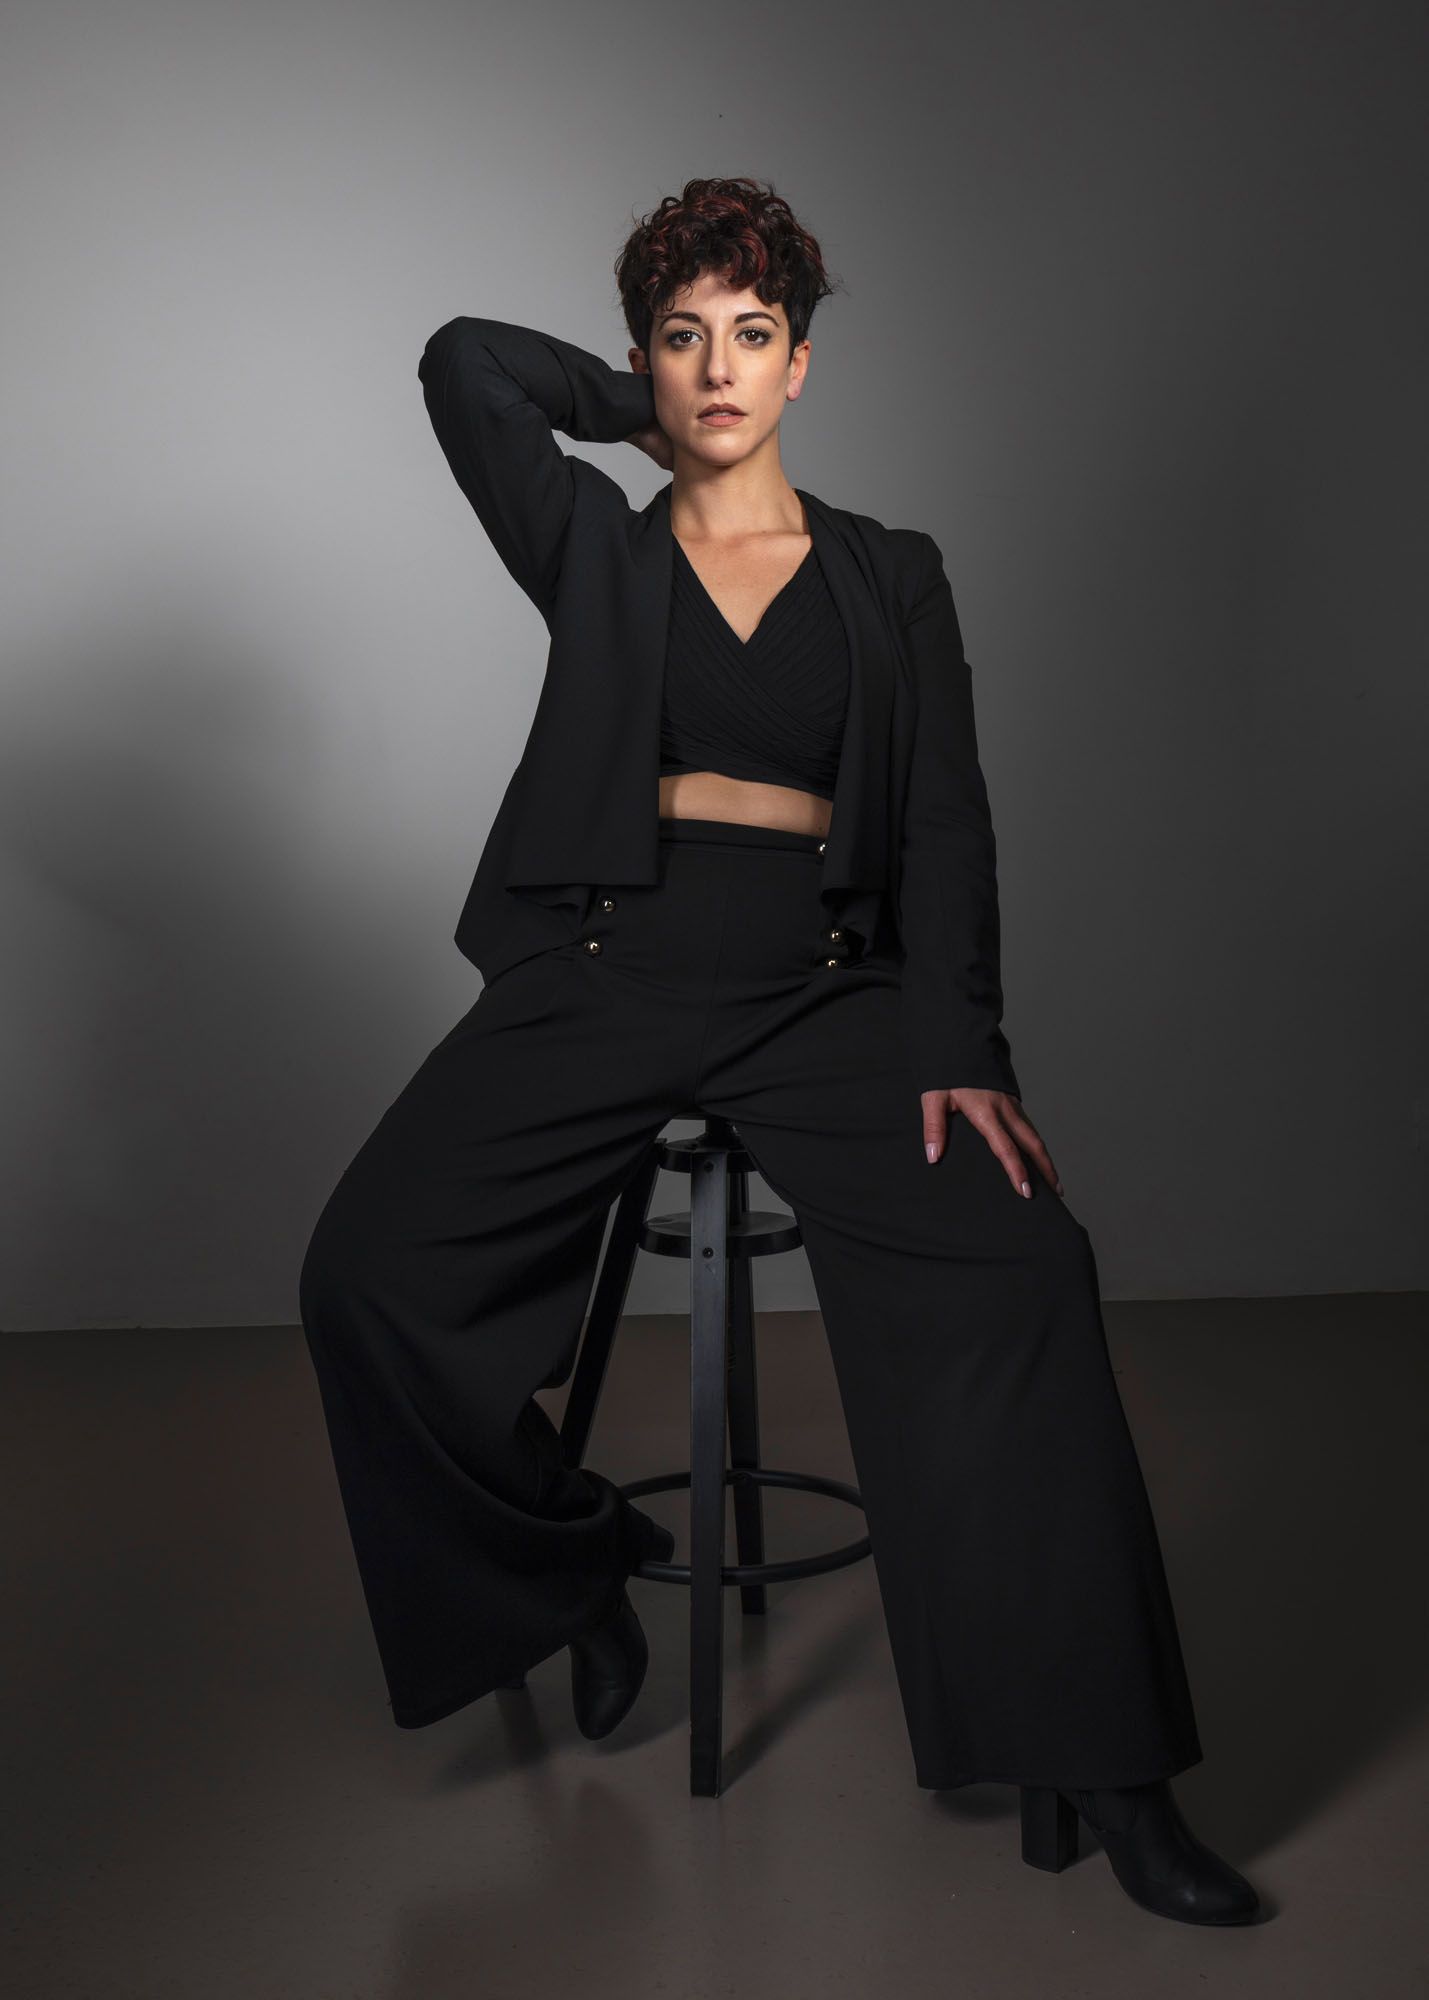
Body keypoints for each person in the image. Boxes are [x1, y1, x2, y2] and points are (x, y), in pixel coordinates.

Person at [298, 175, 1259, 1926]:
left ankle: (1106, 1766)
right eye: (685, 337)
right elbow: (461, 364)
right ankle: (566, 1571)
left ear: (802, 363)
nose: (719, 367)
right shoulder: (595, 544)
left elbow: (946, 822)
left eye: (752, 335)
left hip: (828, 993)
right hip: (607, 968)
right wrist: (640, 404)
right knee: (364, 1271)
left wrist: (961, 1041)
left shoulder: (892, 573)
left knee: (1024, 1264)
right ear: (646, 359)